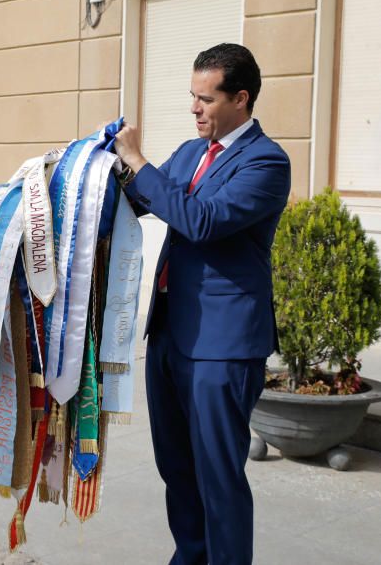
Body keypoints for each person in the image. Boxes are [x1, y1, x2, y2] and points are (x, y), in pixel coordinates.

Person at [113, 43, 291, 565]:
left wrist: (140, 162)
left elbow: (202, 220)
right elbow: (142, 197)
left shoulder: (266, 161)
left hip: (222, 345)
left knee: (218, 477)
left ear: (241, 98)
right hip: (170, 333)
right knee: (178, 469)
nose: (194, 109)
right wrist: (87, 173)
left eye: (205, 99)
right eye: (191, 97)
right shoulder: (192, 151)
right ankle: (189, 557)